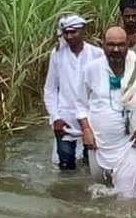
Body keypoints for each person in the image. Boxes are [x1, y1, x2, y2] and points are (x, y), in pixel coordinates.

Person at [76, 26, 136, 198]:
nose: (116, 49)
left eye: (120, 44)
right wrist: (86, 130)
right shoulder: (91, 69)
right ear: (103, 45)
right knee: (100, 192)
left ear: (128, 44)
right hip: (98, 143)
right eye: (111, 44)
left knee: (128, 199)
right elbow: (80, 105)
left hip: (130, 142)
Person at [43, 14, 105, 170]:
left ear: (83, 31)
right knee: (65, 165)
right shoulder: (57, 54)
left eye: (74, 32)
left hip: (92, 118)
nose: (69, 36)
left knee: (91, 163)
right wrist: (55, 117)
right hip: (65, 118)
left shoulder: (97, 54)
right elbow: (50, 89)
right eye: (66, 33)